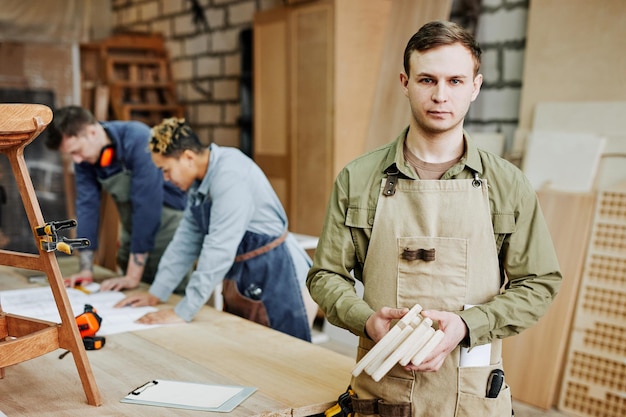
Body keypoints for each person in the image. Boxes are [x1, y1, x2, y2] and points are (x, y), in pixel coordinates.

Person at [306, 20, 562, 416]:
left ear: (475, 87)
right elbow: (325, 276)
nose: (441, 95)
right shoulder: (358, 180)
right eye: (427, 79)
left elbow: (540, 283)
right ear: (405, 82)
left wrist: (467, 325)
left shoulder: (508, 185)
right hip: (381, 394)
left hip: (472, 395)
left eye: (455, 81)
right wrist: (367, 321)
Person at [115, 118, 317, 342]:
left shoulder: (229, 174)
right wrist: (156, 293)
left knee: (285, 358)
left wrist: (184, 311)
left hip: (277, 277)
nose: (165, 179)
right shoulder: (198, 185)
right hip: (244, 277)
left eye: (166, 169)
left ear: (188, 157)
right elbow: (185, 242)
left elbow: (219, 248)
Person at [45, 106, 187, 292]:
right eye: (71, 155)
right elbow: (87, 207)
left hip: (168, 224)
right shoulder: (85, 160)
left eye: (77, 151)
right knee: (133, 295)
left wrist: (132, 276)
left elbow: (146, 206)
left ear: (93, 132)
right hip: (134, 227)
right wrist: (86, 270)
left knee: (167, 289)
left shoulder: (138, 139)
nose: (77, 160)